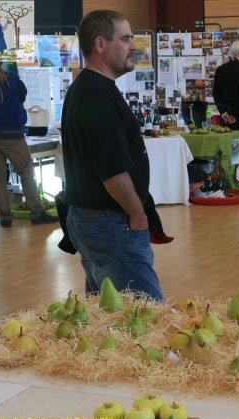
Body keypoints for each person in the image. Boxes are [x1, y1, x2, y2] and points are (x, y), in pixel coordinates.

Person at [61, 10, 164, 301]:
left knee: (108, 313)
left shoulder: (87, 88)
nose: (134, 46)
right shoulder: (97, 94)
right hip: (110, 222)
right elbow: (112, 168)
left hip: (95, 219)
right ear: (100, 45)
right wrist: (137, 214)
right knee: (145, 313)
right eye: (126, 38)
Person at [0, 61, 59, 228]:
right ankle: (36, 213)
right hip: (13, 136)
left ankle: (5, 217)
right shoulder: (11, 78)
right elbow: (23, 95)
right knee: (26, 172)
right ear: (0, 63)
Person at [213, 40, 239, 133]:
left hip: (225, 119)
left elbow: (216, 94)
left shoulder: (220, 70)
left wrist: (224, 113)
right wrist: (234, 115)